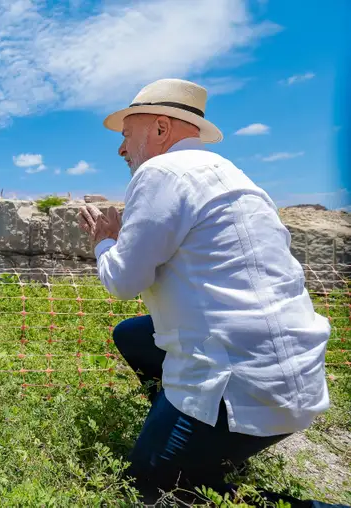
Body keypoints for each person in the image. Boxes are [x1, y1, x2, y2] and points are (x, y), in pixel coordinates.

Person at [77, 79, 342, 507]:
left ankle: (196, 447)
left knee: (153, 491)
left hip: (240, 383)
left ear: (161, 129)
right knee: (132, 335)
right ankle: (197, 443)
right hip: (291, 372)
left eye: (127, 134)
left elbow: (124, 281)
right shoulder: (235, 178)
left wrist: (105, 242)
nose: (122, 150)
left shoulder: (160, 172)